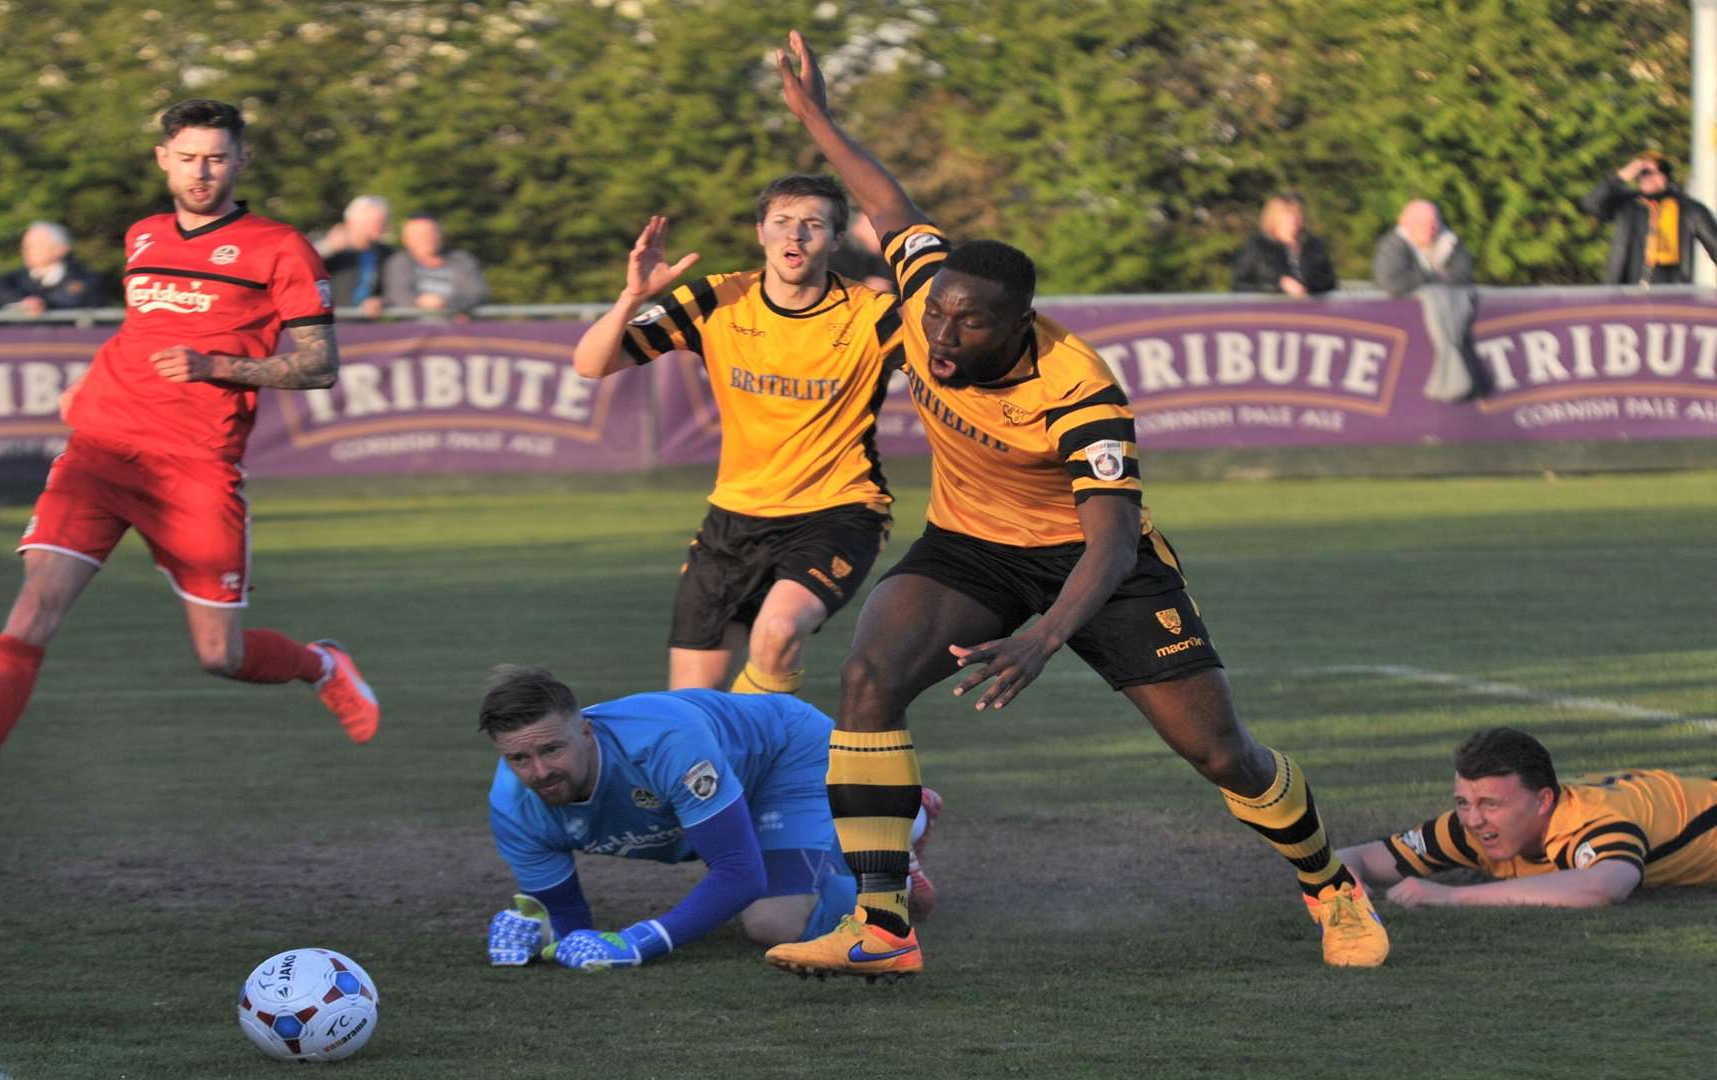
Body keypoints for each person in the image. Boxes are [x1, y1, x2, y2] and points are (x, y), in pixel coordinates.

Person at [760, 32, 1389, 980]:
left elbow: (1115, 538)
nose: (940, 333)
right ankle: (881, 929)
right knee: (867, 682)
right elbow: (893, 206)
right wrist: (817, 118)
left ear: (1019, 325)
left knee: (1221, 755)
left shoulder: (1079, 389)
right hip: (969, 548)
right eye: (935, 313)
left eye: (968, 324)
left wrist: (1044, 637)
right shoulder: (931, 288)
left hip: (1096, 569)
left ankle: (1329, 884)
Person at [0, 98, 381, 838]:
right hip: (102, 450)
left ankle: (321, 666)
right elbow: (145, 328)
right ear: (162, 159)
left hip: (194, 470)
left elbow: (318, 366)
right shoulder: (142, 235)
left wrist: (217, 366)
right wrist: (95, 376)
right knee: (32, 610)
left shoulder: (281, 248)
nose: (201, 171)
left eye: (215, 157)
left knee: (219, 654)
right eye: (187, 156)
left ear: (240, 162)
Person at [571, 177, 904, 696]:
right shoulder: (714, 299)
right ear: (760, 233)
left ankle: (768, 753)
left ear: (836, 241)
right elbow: (591, 364)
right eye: (782, 223)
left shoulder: (873, 316)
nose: (796, 236)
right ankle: (749, 758)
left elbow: (957, 373)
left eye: (813, 225)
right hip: (733, 519)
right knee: (689, 709)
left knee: (777, 631)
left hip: (838, 510)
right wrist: (632, 296)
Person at [478, 664, 939, 970]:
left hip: (784, 756)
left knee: (773, 923)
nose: (539, 772)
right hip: (723, 789)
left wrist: (641, 941)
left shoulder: (664, 745)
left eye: (552, 749)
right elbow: (572, 919)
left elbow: (739, 874)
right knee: (771, 871)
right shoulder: (513, 805)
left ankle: (894, 830)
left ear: (585, 731)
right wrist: (545, 934)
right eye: (519, 758)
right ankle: (873, 821)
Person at [1339, 727, 1717, 908]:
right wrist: (1344, 886)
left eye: (1490, 804)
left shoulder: (1587, 821)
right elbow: (1355, 856)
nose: (1473, 820)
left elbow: (1604, 886)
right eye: (1463, 802)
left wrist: (1453, 895)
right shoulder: (1469, 829)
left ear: (1542, 802)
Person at [1373, 199, 1483, 401]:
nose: (1430, 228)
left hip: (1449, 318)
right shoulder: (1393, 245)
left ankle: (1452, 381)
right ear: (1405, 222)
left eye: (1433, 222)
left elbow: (1463, 275)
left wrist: (1421, 278)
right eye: (1421, 223)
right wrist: (1432, 276)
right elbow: (1392, 283)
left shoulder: (1451, 241)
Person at [1581, 152, 1717, 285]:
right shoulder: (1628, 205)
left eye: (1650, 172)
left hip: (1673, 296)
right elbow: (1590, 204)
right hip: (1627, 295)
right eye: (1642, 173)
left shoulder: (1688, 209)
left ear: (1665, 176)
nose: (1645, 177)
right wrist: (1619, 177)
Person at [381, 214, 489, 318]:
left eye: (431, 232)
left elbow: (477, 293)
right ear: (406, 239)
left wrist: (446, 303)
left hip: (457, 331)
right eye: (419, 234)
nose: (426, 238)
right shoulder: (398, 263)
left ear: (441, 235)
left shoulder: (462, 260)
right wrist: (420, 302)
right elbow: (397, 295)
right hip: (410, 332)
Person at [1231, 193, 1337, 297]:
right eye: (1287, 214)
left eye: (1296, 214)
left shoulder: (1314, 245)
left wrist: (1308, 287)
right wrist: (1278, 287)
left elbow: (1330, 282)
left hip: (1310, 312)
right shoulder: (1257, 246)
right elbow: (1239, 285)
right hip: (1271, 312)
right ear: (1274, 217)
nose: (1293, 219)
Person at [4, 221, 107, 314]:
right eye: (25, 246)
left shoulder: (87, 280)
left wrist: (46, 307)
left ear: (60, 249)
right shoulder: (12, 281)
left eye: (36, 245)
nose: (27, 250)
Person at [319, 194, 393, 318]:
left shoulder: (385, 253)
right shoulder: (331, 250)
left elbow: (391, 289)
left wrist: (381, 301)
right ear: (352, 222)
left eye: (384, 221)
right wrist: (326, 248)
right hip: (335, 323)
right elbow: (300, 270)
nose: (383, 226)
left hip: (367, 325)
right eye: (377, 222)